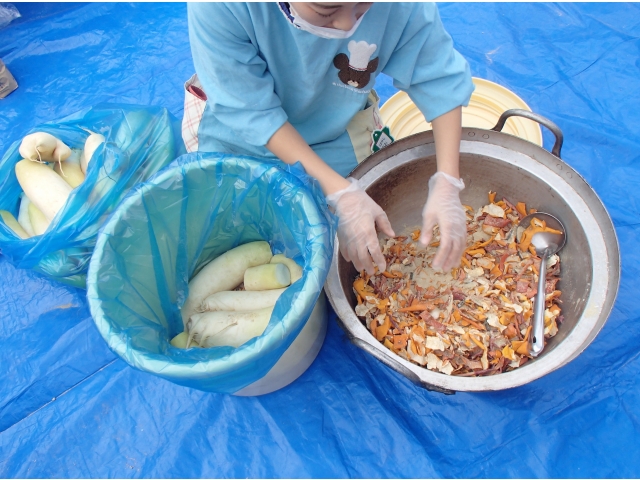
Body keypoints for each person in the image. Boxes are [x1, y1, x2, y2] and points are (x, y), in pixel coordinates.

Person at [185, 2, 474, 275]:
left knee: (353, 234)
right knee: (223, 237)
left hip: (334, 125)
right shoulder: (222, 5)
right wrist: (341, 194)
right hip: (243, 136)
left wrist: (448, 179)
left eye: (363, 4)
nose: (349, 24)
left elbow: (438, 75)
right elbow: (251, 111)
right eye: (326, 10)